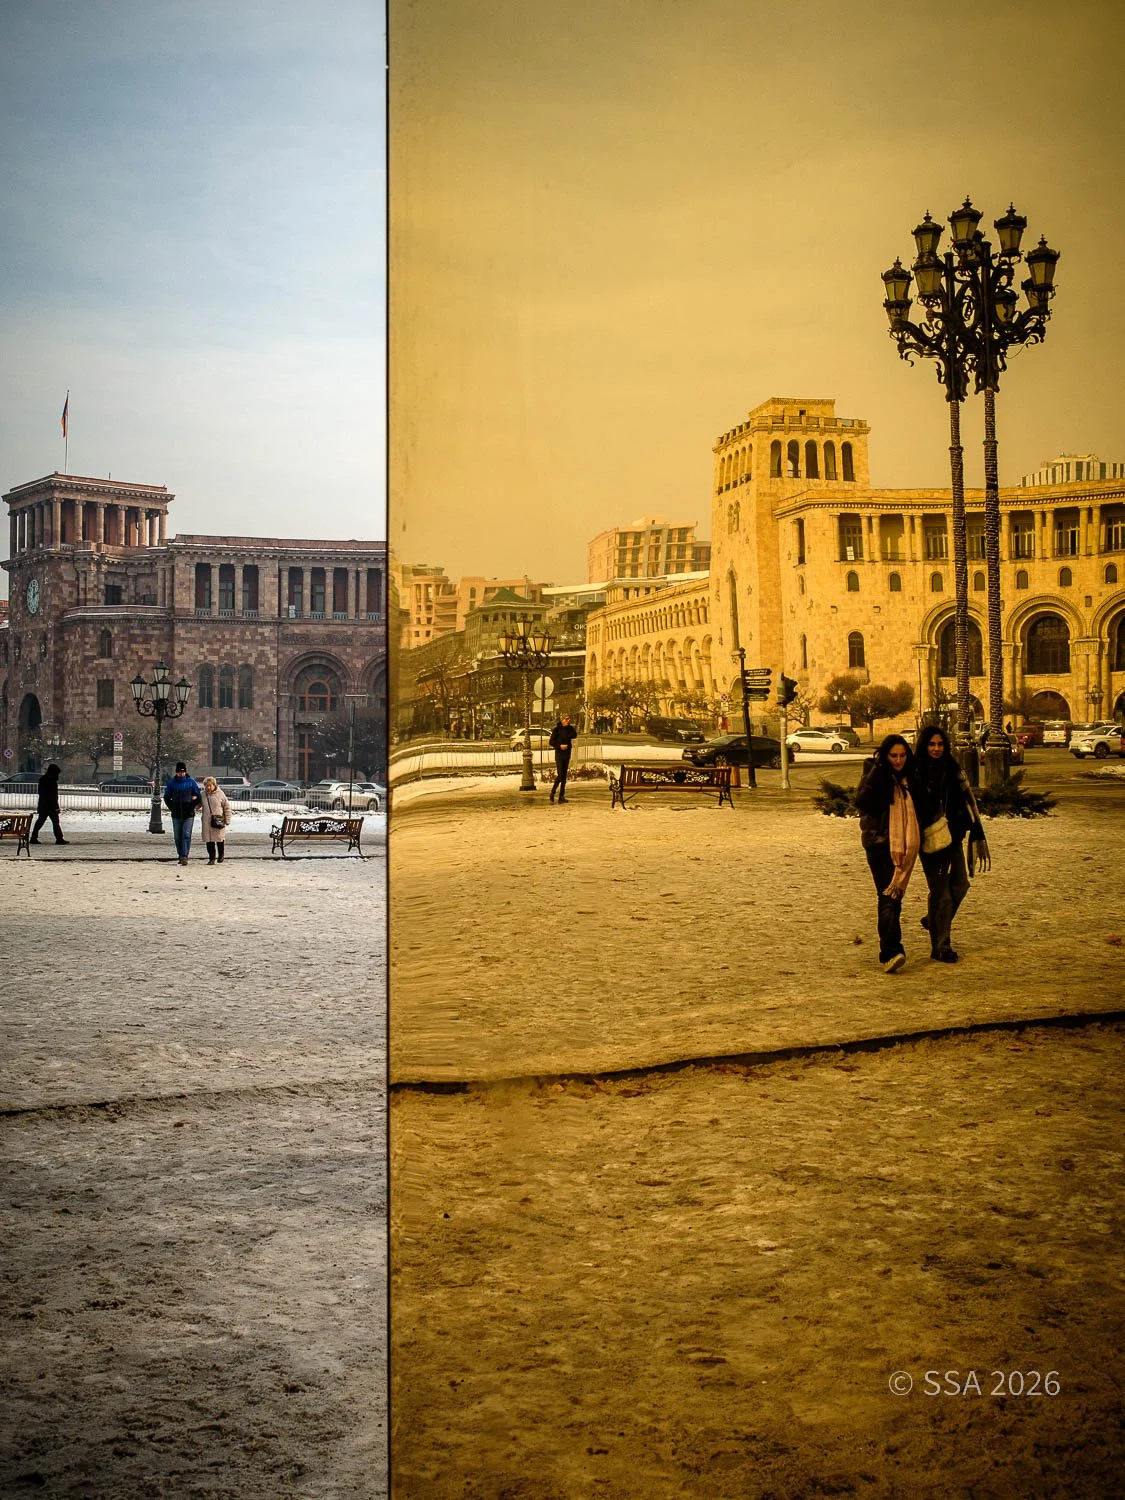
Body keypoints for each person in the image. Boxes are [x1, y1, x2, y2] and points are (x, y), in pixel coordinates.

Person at [914, 725, 990, 964]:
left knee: (960, 887)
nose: (936, 749)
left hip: (955, 837)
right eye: (931, 745)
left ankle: (933, 919)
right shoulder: (918, 771)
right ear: (924, 746)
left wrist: (972, 827)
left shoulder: (954, 769)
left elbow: (968, 803)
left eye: (940, 744)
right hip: (931, 841)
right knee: (942, 895)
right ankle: (941, 946)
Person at [856, 734, 923, 974]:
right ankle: (891, 952)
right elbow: (862, 802)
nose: (898, 760)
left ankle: (891, 950)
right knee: (888, 896)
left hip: (905, 845)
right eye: (893, 755)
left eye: (902, 755)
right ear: (885, 755)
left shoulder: (911, 776)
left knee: (895, 897)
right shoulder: (875, 773)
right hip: (879, 844)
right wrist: (877, 772)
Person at [163, 762, 203, 866]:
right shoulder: (172, 783)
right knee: (177, 836)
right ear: (176, 772)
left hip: (188, 813)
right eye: (179, 772)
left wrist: (191, 805)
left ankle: (184, 856)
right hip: (176, 813)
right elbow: (167, 797)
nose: (181, 774)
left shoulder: (191, 782)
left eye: (182, 772)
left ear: (185, 772)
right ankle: (180, 854)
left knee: (186, 835)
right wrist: (172, 808)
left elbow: (198, 796)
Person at [29, 763, 68, 845]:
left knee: (40, 821)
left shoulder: (43, 779)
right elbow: (53, 795)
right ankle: (59, 838)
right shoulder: (52, 781)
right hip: (51, 805)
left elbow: (41, 793)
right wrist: (56, 806)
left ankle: (33, 837)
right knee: (55, 822)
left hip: (43, 804)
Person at [200, 776, 232, 865]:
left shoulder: (220, 794)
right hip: (207, 821)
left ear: (214, 785)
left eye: (210, 785)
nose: (208, 788)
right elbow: (198, 804)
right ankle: (211, 858)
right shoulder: (203, 794)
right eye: (206, 786)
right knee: (209, 840)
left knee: (219, 839)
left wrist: (227, 819)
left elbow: (227, 807)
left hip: (218, 820)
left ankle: (221, 855)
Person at [548, 713, 579, 804]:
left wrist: (569, 729)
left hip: (567, 754)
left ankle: (561, 795)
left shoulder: (570, 729)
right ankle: (553, 792)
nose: (568, 720)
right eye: (566, 719)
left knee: (564, 776)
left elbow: (574, 735)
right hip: (559, 755)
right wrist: (559, 746)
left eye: (569, 719)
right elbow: (551, 741)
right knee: (560, 775)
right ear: (562, 720)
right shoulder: (557, 730)